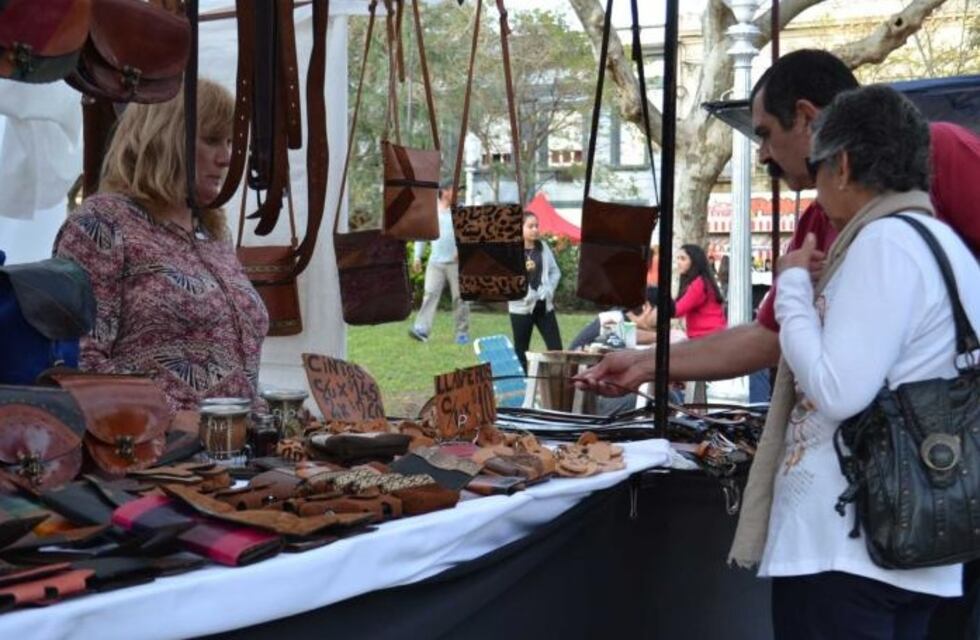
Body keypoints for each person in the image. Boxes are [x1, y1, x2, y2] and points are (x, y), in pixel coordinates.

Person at [575, 48, 980, 396]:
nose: (763, 155)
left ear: (805, 117)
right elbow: (768, 336)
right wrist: (645, 363)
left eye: (765, 134)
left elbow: (835, 386)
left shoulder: (940, 151)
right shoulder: (815, 222)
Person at [758, 85, 979, 639]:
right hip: (914, 540)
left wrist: (790, 290)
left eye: (818, 168)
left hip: (850, 543)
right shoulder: (948, 248)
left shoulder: (883, 243)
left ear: (844, 164)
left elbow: (837, 389)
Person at [54, 79, 268, 412]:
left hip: (235, 450)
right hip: (154, 454)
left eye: (230, 142)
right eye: (212, 140)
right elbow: (79, 358)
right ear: (166, 139)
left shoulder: (213, 235)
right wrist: (168, 418)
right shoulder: (103, 224)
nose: (227, 158)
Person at [409, 185, 470, 344]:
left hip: (457, 264)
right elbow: (423, 235)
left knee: (460, 298)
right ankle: (422, 329)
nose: (457, 193)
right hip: (435, 263)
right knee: (430, 294)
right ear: (443, 192)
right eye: (453, 189)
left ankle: (461, 333)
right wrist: (417, 257)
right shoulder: (431, 211)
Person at [633, 243, 726, 340]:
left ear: (694, 261)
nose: (678, 262)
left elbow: (677, 311)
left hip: (707, 336)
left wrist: (655, 294)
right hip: (709, 336)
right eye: (678, 258)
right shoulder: (701, 281)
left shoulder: (699, 284)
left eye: (683, 259)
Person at [509, 212, 562, 372]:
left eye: (536, 226)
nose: (535, 229)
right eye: (530, 226)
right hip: (521, 308)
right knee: (521, 350)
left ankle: (557, 381)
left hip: (544, 306)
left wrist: (548, 289)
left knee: (556, 348)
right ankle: (525, 386)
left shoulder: (543, 247)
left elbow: (555, 272)